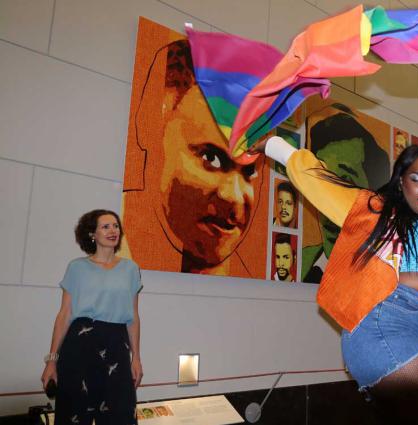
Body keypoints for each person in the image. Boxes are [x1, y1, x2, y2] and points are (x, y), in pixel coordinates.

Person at [249, 137, 418, 424]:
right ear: (401, 183)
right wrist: (274, 146)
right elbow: (322, 183)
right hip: (385, 326)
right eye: (416, 178)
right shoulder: (380, 212)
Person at [121, 39, 266, 277]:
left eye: (249, 171)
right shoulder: (106, 256)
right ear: (150, 128)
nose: (233, 196)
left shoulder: (251, 274)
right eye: (212, 158)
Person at [41, 209, 143, 425]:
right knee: (75, 413)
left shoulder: (131, 269)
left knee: (120, 413)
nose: (113, 230)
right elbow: (64, 315)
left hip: (116, 345)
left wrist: (137, 357)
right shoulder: (77, 267)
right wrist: (51, 361)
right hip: (79, 346)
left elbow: (133, 316)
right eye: (105, 226)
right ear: (92, 234)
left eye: (115, 226)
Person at [301, 107, 390, 283]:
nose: (329, 202)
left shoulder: (386, 272)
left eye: (344, 182)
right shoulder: (301, 262)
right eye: (323, 184)